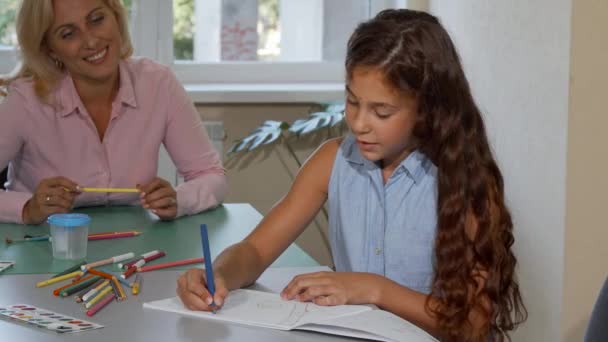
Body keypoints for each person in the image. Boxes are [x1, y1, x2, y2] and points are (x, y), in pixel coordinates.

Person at [176, 9, 526, 341]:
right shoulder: (333, 160)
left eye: (382, 111)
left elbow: (474, 323)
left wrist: (372, 288)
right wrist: (218, 276)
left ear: (427, 109)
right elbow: (254, 250)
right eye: (352, 101)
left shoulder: (466, 182)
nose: (359, 123)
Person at [0, 0, 227, 224]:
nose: (91, 41)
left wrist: (179, 199)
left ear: (116, 17)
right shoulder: (26, 100)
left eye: (97, 20)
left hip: (135, 246)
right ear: (50, 49)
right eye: (68, 34)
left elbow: (210, 176)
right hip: (38, 245)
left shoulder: (158, 83)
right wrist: (27, 208)